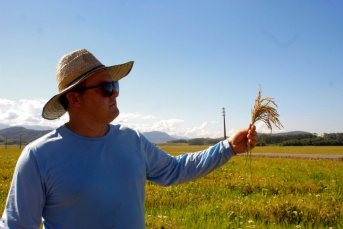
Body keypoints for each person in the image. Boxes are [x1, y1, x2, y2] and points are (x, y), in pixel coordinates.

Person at [0, 49, 258, 229]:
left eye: (116, 86)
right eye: (106, 88)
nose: (115, 94)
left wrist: (228, 148)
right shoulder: (37, 157)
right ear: (74, 98)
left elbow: (175, 169)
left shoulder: (131, 140)